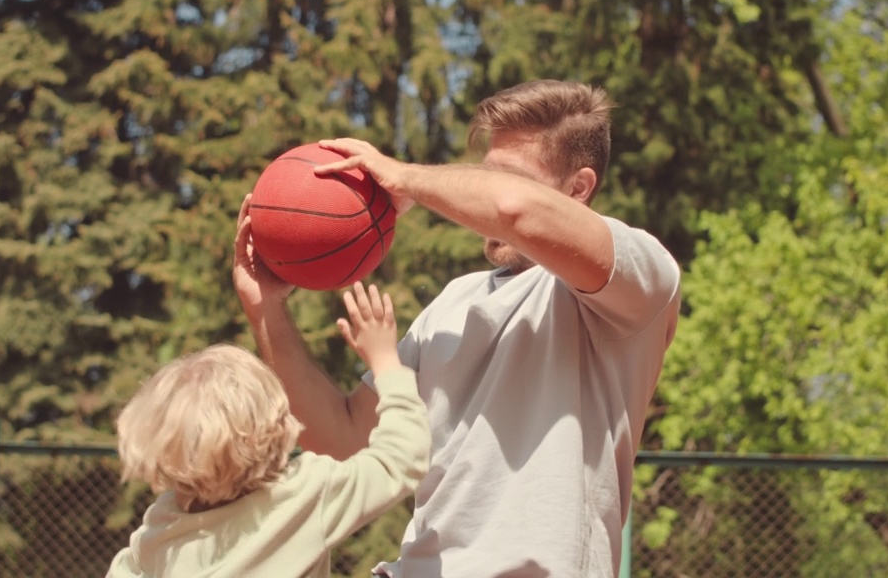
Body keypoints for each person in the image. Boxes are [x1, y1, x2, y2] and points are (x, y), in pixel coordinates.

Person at [233, 79, 682, 577]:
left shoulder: (637, 275)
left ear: (578, 188)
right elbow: (342, 440)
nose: (484, 192)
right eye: (482, 175)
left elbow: (515, 208)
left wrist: (404, 178)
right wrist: (266, 309)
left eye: (506, 177)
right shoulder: (453, 302)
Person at [105, 282, 430, 578]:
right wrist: (386, 360)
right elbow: (402, 458)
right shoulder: (304, 492)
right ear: (276, 426)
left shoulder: (165, 525)